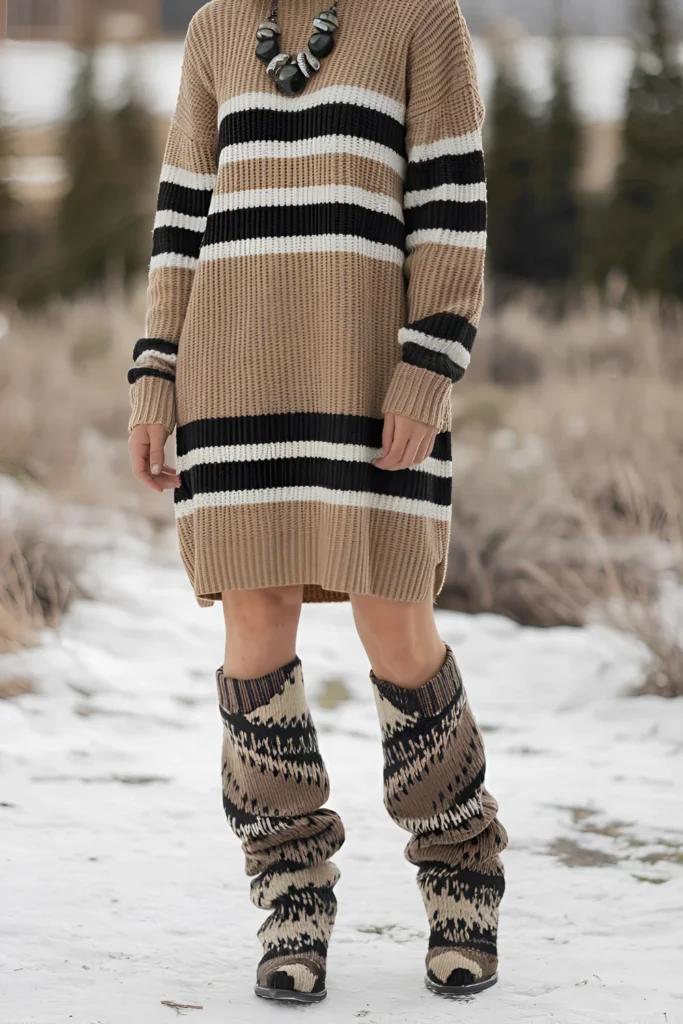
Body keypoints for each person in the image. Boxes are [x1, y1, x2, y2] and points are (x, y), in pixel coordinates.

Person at [127, 0, 507, 1005]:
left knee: (395, 622)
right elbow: (180, 214)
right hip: (230, 374)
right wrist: (154, 374)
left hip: (367, 373)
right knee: (254, 623)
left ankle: (461, 868)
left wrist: (427, 371)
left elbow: (451, 209)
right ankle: (290, 894)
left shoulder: (420, 18)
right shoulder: (217, 29)